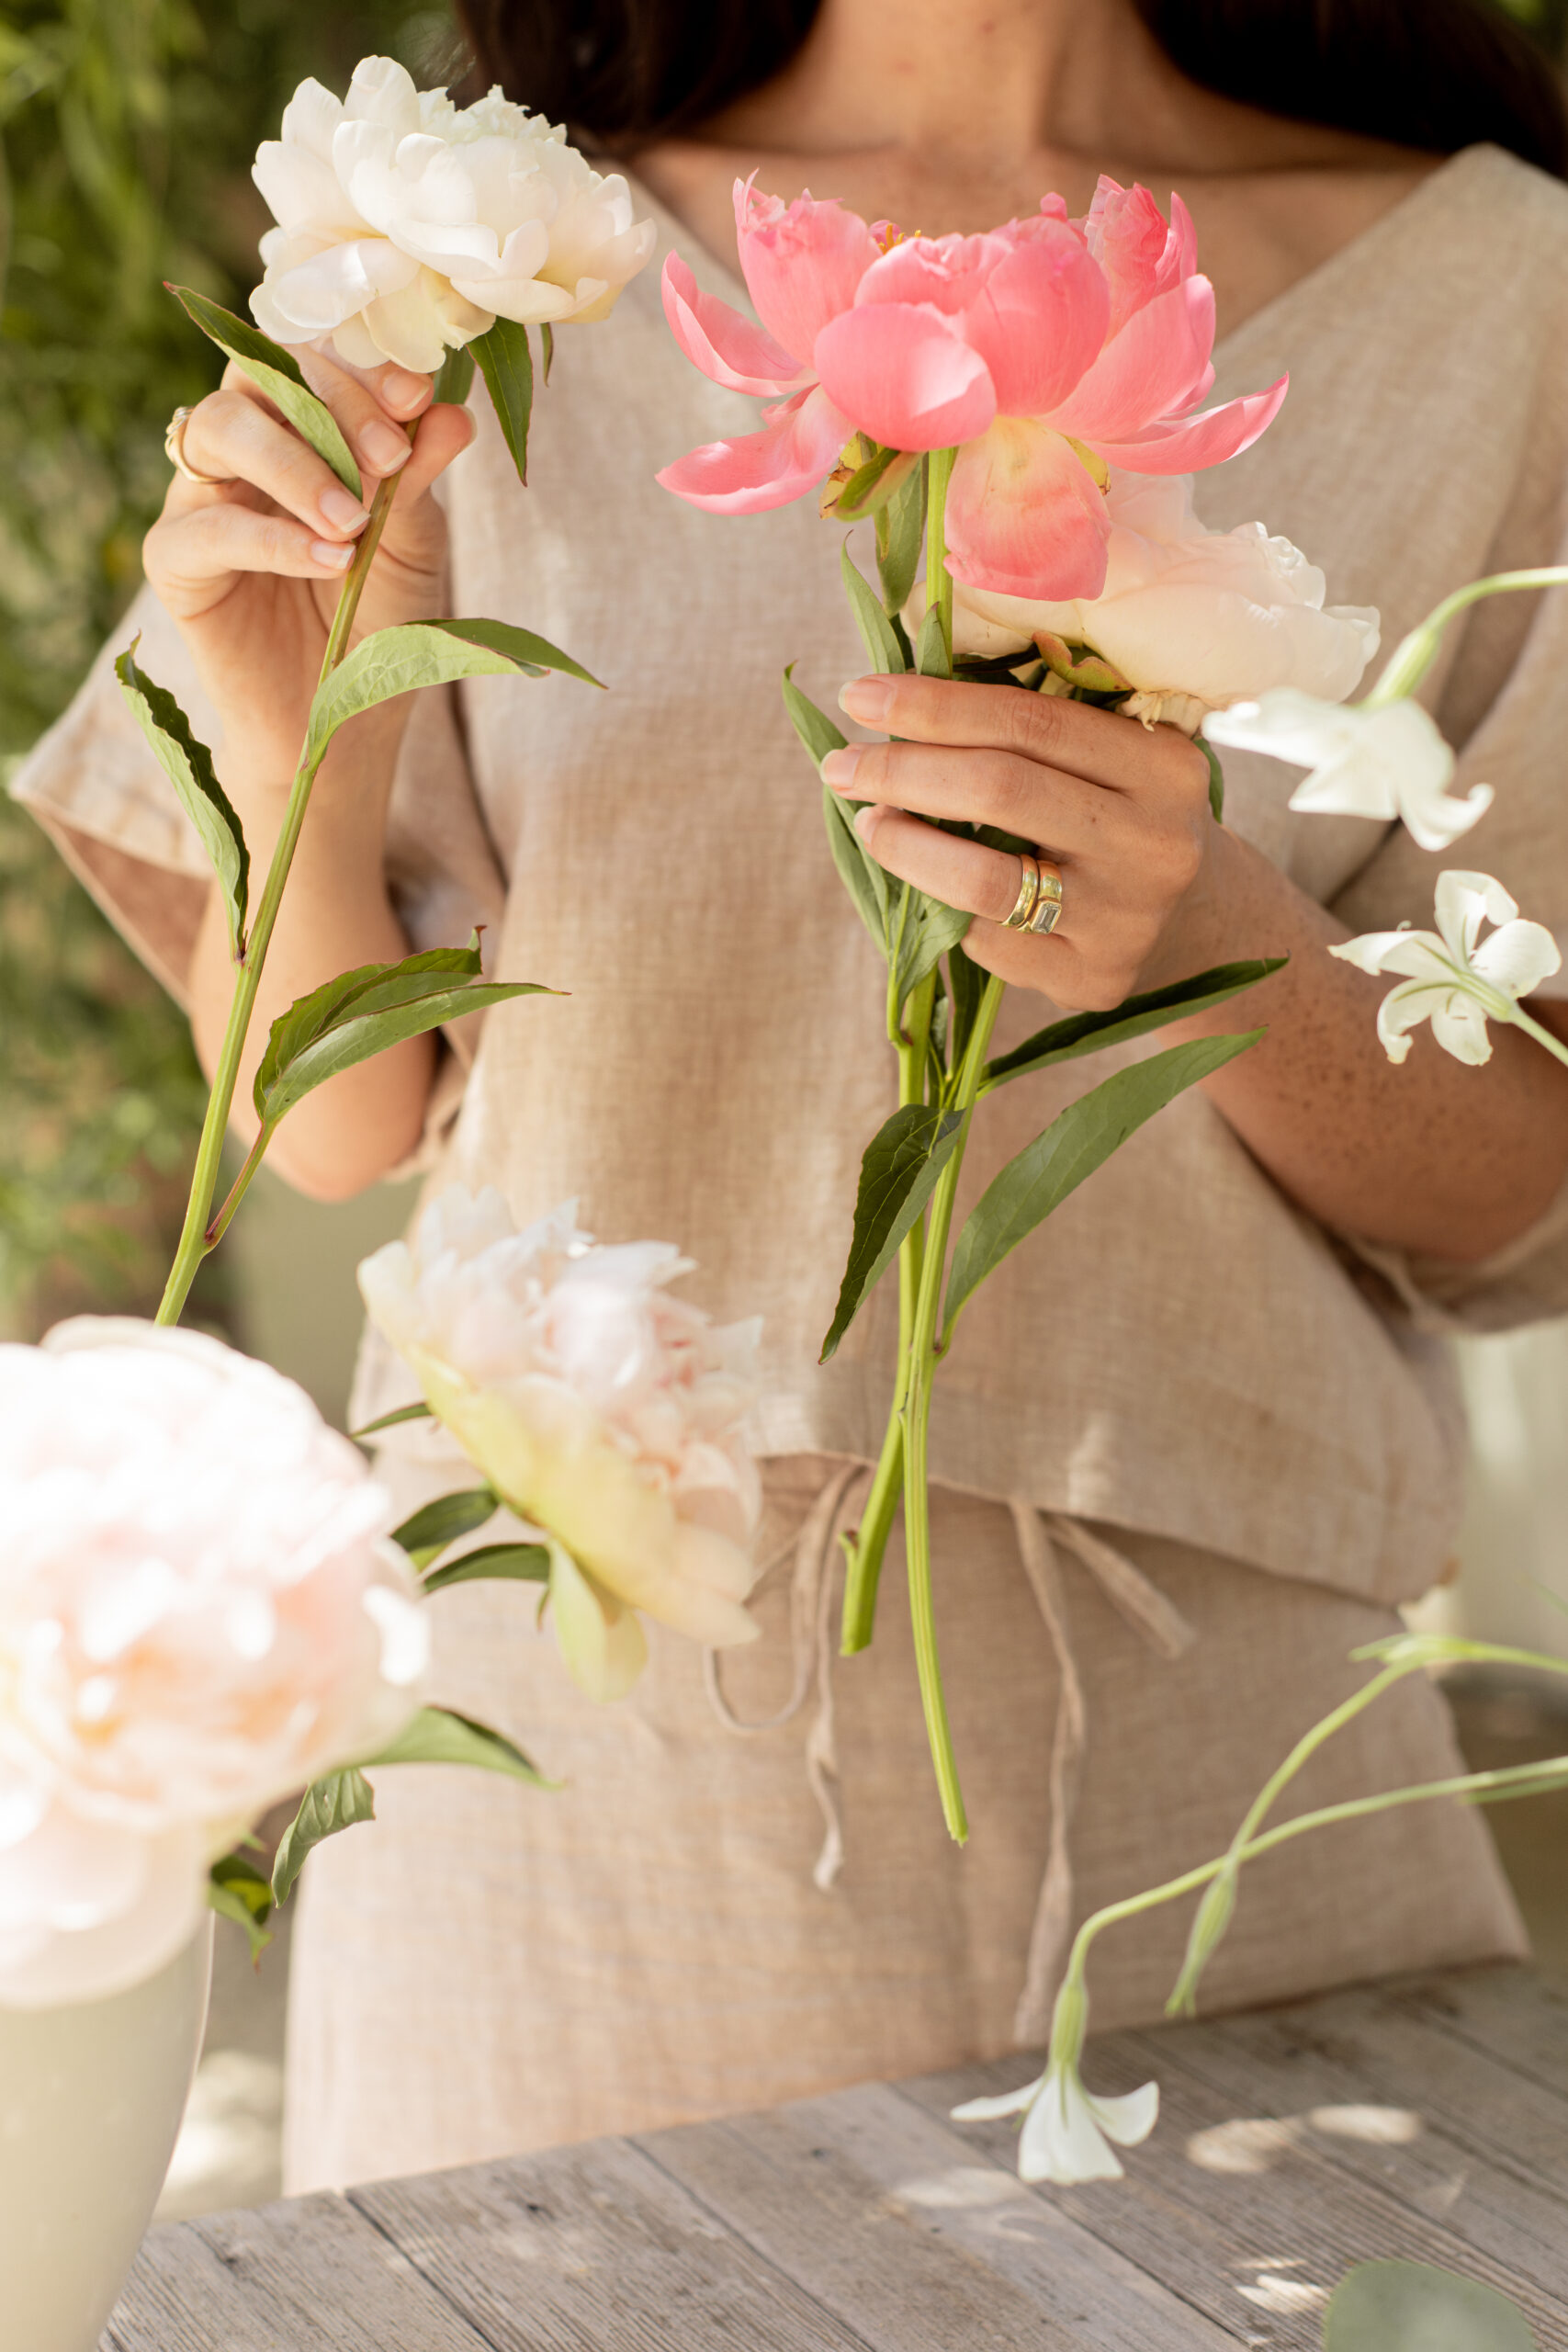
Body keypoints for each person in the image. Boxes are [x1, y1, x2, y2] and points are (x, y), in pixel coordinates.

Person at [16, 0, 1568, 2190]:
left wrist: (1212, 929)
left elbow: (1527, 1194)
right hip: (551, 1804)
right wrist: (301, 735)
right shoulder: (482, 249)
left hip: (1219, 1808)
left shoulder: (1512, 297)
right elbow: (333, 1126)